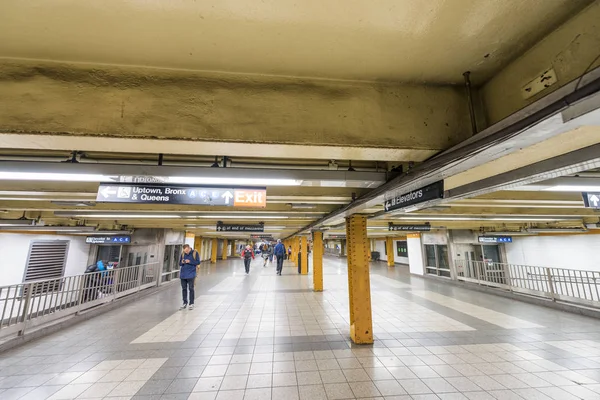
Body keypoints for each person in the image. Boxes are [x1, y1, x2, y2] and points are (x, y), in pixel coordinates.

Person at [179, 244, 200, 310]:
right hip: (183, 274)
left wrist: (190, 261)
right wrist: (182, 262)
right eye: (185, 251)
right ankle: (184, 302)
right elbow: (179, 263)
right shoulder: (182, 254)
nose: (186, 252)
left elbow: (198, 262)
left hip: (191, 274)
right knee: (184, 289)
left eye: (187, 251)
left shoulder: (195, 253)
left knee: (191, 288)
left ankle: (191, 303)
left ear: (189, 248)